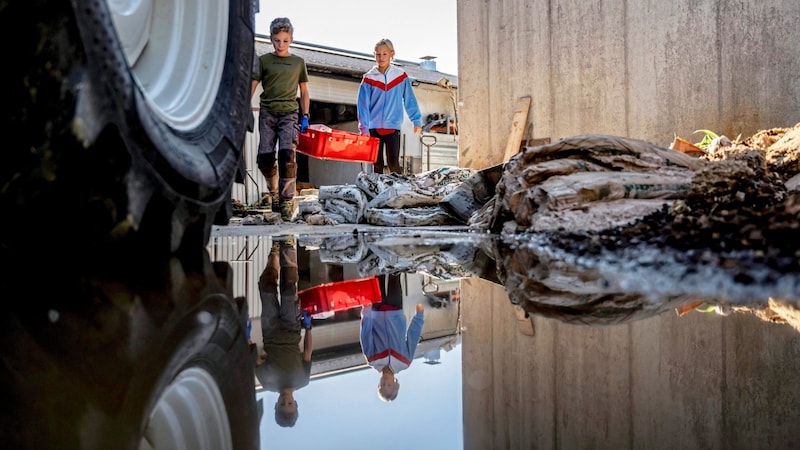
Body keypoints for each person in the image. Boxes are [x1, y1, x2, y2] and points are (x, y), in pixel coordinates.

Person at [251, 17, 310, 221]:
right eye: (277, 40)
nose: (281, 45)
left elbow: (304, 91)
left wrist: (305, 116)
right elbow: (253, 84)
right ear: (271, 39)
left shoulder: (298, 63)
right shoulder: (263, 61)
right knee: (265, 159)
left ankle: (286, 200)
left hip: (289, 114)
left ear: (291, 39)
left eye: (285, 41)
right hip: (267, 112)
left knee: (287, 156)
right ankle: (274, 190)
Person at [253, 236, 313, 427]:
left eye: (282, 404)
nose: (285, 400)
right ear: (295, 404)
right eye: (290, 404)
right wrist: (309, 327)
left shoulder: (267, 383)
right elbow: (307, 353)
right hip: (291, 329)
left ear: (276, 405)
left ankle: (275, 252)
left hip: (270, 331)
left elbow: (254, 357)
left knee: (267, 289)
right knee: (289, 291)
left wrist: (246, 336)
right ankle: (288, 246)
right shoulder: (303, 380)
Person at [357, 38, 423, 175]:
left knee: (394, 163)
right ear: (374, 55)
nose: (381, 57)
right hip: (373, 127)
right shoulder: (369, 78)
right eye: (378, 54)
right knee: (377, 164)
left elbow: (409, 99)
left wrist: (416, 120)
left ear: (392, 54)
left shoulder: (400, 76)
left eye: (384, 54)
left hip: (393, 127)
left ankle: (399, 191)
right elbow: (363, 105)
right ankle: (377, 192)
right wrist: (364, 127)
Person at [359, 273, 425, 402]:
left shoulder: (372, 360)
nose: (385, 382)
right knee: (395, 274)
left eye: (382, 385)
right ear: (396, 383)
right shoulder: (404, 362)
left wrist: (366, 313)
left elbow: (365, 335)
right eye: (389, 385)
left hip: (376, 311)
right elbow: (412, 337)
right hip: (396, 310)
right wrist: (419, 317)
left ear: (378, 384)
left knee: (379, 275)